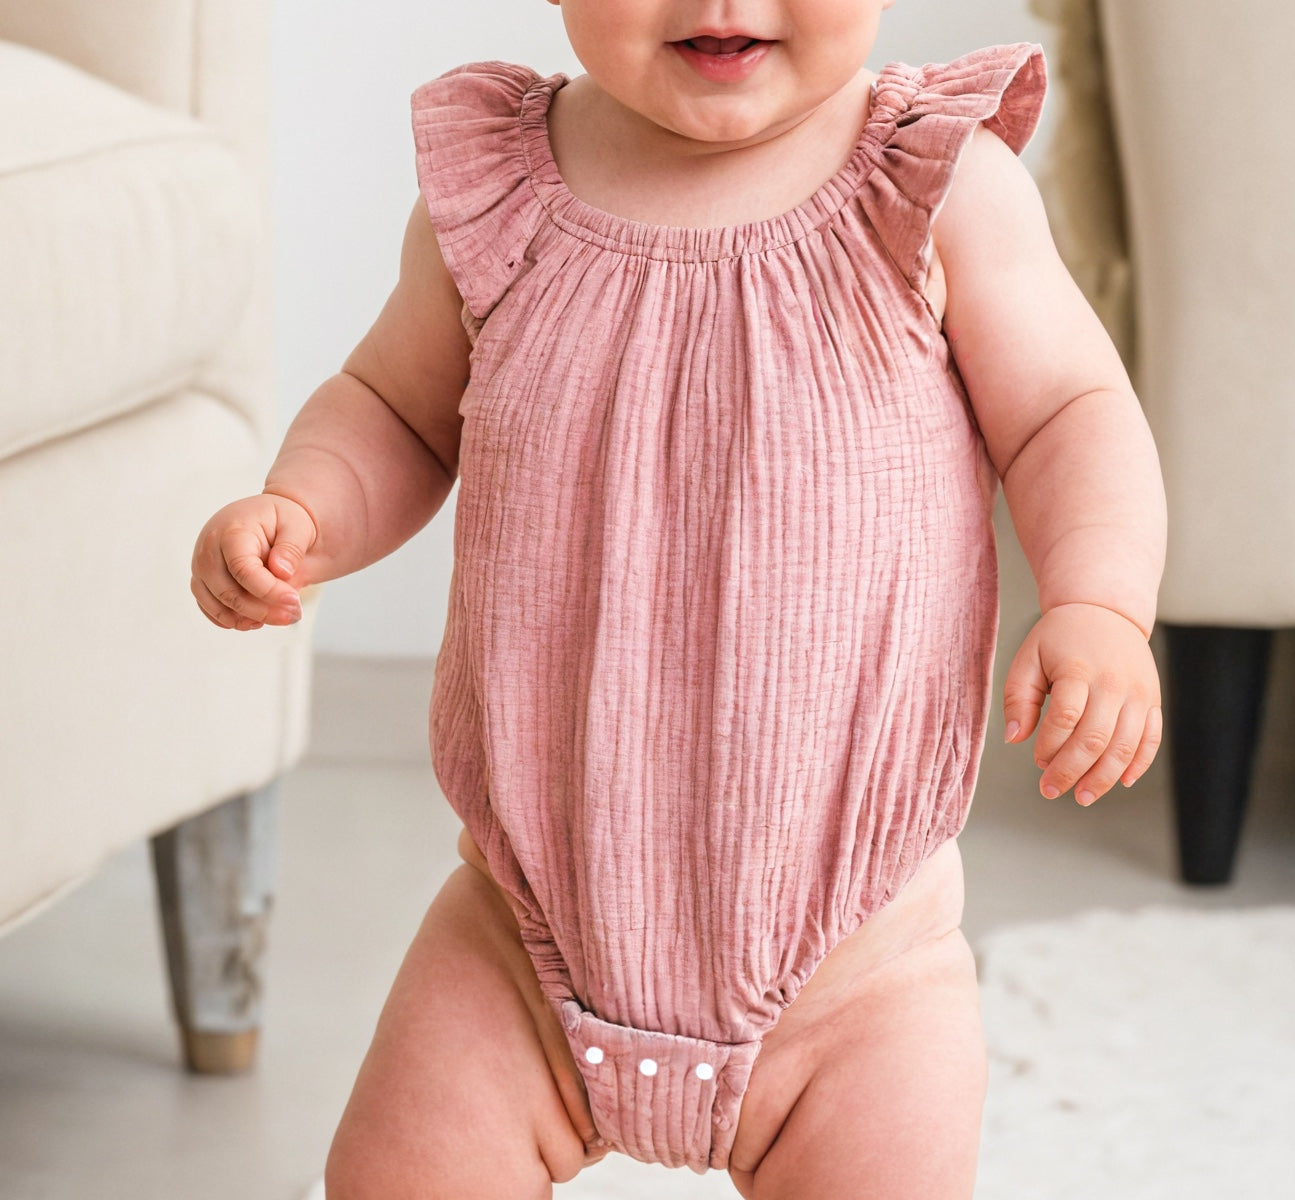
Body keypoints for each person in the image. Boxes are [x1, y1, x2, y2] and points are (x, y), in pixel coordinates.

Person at [190, 1, 1166, 1195]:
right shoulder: (499, 196)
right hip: (521, 943)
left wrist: (1100, 601)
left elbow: (1070, 408)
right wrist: (307, 503)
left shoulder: (936, 189)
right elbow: (392, 408)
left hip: (856, 971)